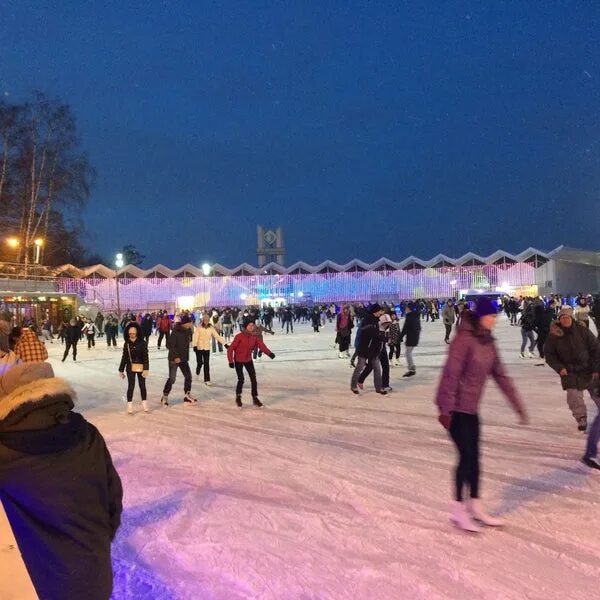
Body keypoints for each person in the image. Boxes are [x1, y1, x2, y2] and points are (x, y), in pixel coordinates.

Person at [0, 361, 123, 599]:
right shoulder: (88, 434)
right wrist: (93, 544)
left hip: (32, 584)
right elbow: (112, 502)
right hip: (92, 575)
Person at [435, 299, 528, 532]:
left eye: (496, 316)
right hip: (455, 408)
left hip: (471, 408)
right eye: (491, 316)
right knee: (465, 457)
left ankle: (475, 505)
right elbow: (450, 376)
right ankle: (458, 509)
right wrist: (446, 410)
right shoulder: (463, 341)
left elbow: (500, 375)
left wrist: (517, 404)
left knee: (475, 458)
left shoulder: (488, 342)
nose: (494, 319)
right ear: (480, 317)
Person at [544, 306, 600, 458]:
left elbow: (596, 348)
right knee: (573, 396)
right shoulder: (554, 335)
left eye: (568, 317)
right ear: (559, 320)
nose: (566, 320)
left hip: (588, 369)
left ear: (572, 318)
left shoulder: (582, 331)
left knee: (597, 393)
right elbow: (549, 355)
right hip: (569, 372)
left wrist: (595, 367)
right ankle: (581, 418)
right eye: (563, 318)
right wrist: (560, 368)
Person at [227, 319, 275, 408]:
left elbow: (262, 346)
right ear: (245, 326)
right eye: (249, 325)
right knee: (241, 379)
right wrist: (231, 361)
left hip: (248, 359)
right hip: (238, 360)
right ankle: (238, 396)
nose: (251, 327)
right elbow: (230, 349)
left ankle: (255, 398)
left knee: (253, 378)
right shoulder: (239, 336)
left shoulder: (255, 336)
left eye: (252, 325)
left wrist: (269, 353)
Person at [350, 304, 387, 395]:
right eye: (379, 311)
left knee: (377, 369)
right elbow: (366, 333)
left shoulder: (377, 321)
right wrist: (379, 334)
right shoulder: (367, 320)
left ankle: (379, 387)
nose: (380, 313)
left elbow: (377, 334)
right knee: (360, 367)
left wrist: (381, 336)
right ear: (375, 311)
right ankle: (353, 385)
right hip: (364, 348)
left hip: (374, 349)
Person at [160, 314, 196, 406]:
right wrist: (176, 356)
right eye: (190, 322)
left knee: (188, 376)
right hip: (174, 359)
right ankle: (165, 395)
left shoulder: (187, 331)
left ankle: (187, 395)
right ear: (186, 323)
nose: (191, 324)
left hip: (183, 358)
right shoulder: (176, 331)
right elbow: (169, 345)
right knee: (172, 379)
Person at [118, 321, 150, 414]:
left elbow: (145, 356)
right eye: (130, 333)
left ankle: (144, 403)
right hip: (130, 368)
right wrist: (121, 370)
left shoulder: (142, 343)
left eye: (133, 333)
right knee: (131, 386)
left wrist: (146, 368)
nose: (131, 335)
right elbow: (124, 357)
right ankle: (129, 405)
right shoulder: (127, 344)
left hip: (141, 367)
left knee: (142, 385)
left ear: (136, 333)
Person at [192, 313, 227, 386]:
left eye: (207, 320)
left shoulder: (211, 328)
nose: (206, 321)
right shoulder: (199, 327)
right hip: (199, 347)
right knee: (200, 363)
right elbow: (195, 337)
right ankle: (197, 373)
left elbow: (217, 336)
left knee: (206, 364)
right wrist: (194, 345)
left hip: (207, 348)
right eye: (205, 320)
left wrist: (225, 344)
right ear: (203, 320)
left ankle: (207, 379)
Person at [400, 301, 421, 377]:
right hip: (415, 337)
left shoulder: (409, 317)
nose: (405, 309)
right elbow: (419, 328)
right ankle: (411, 368)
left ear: (409, 308)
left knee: (408, 353)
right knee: (408, 352)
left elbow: (405, 328)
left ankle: (411, 369)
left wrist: (400, 337)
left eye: (406, 307)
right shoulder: (416, 316)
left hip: (411, 337)